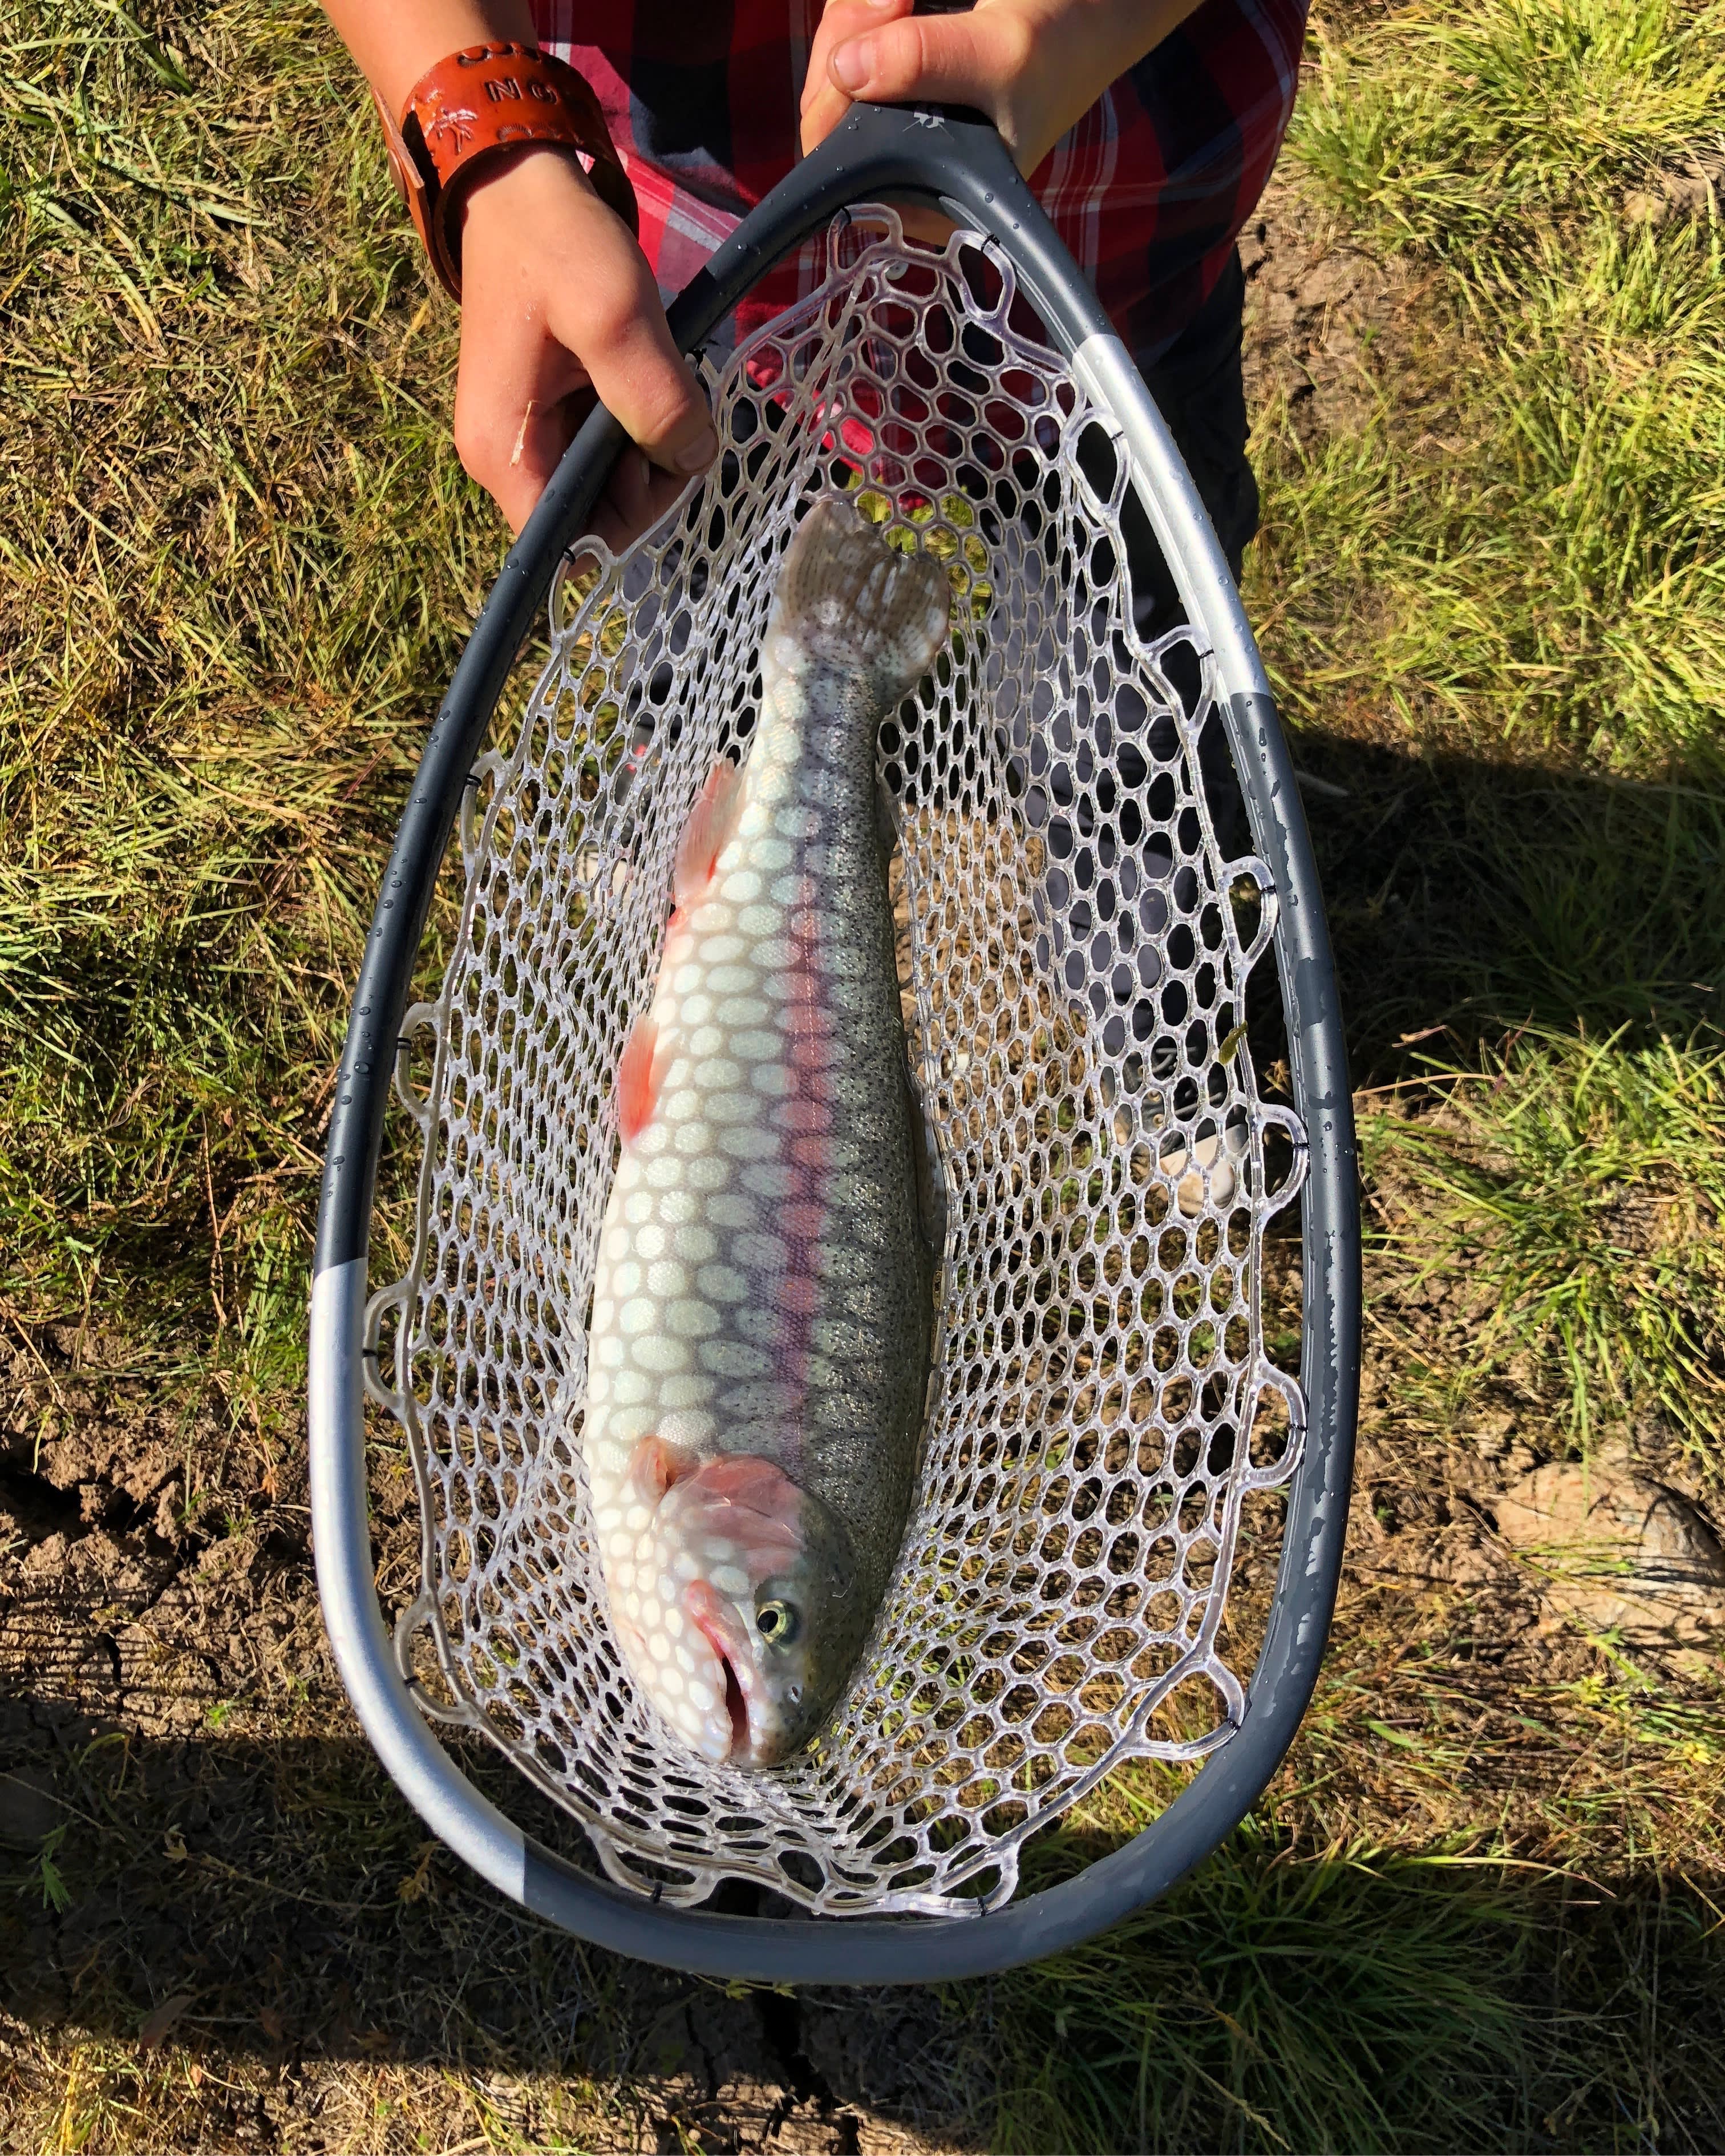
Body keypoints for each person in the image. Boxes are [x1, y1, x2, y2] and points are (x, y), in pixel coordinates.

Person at [319, 0, 1299, 584]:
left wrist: (1069, 25)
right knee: (710, 641)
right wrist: (493, 147)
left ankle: (1135, 831)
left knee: (1136, 671)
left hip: (1106, 250)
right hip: (692, 286)